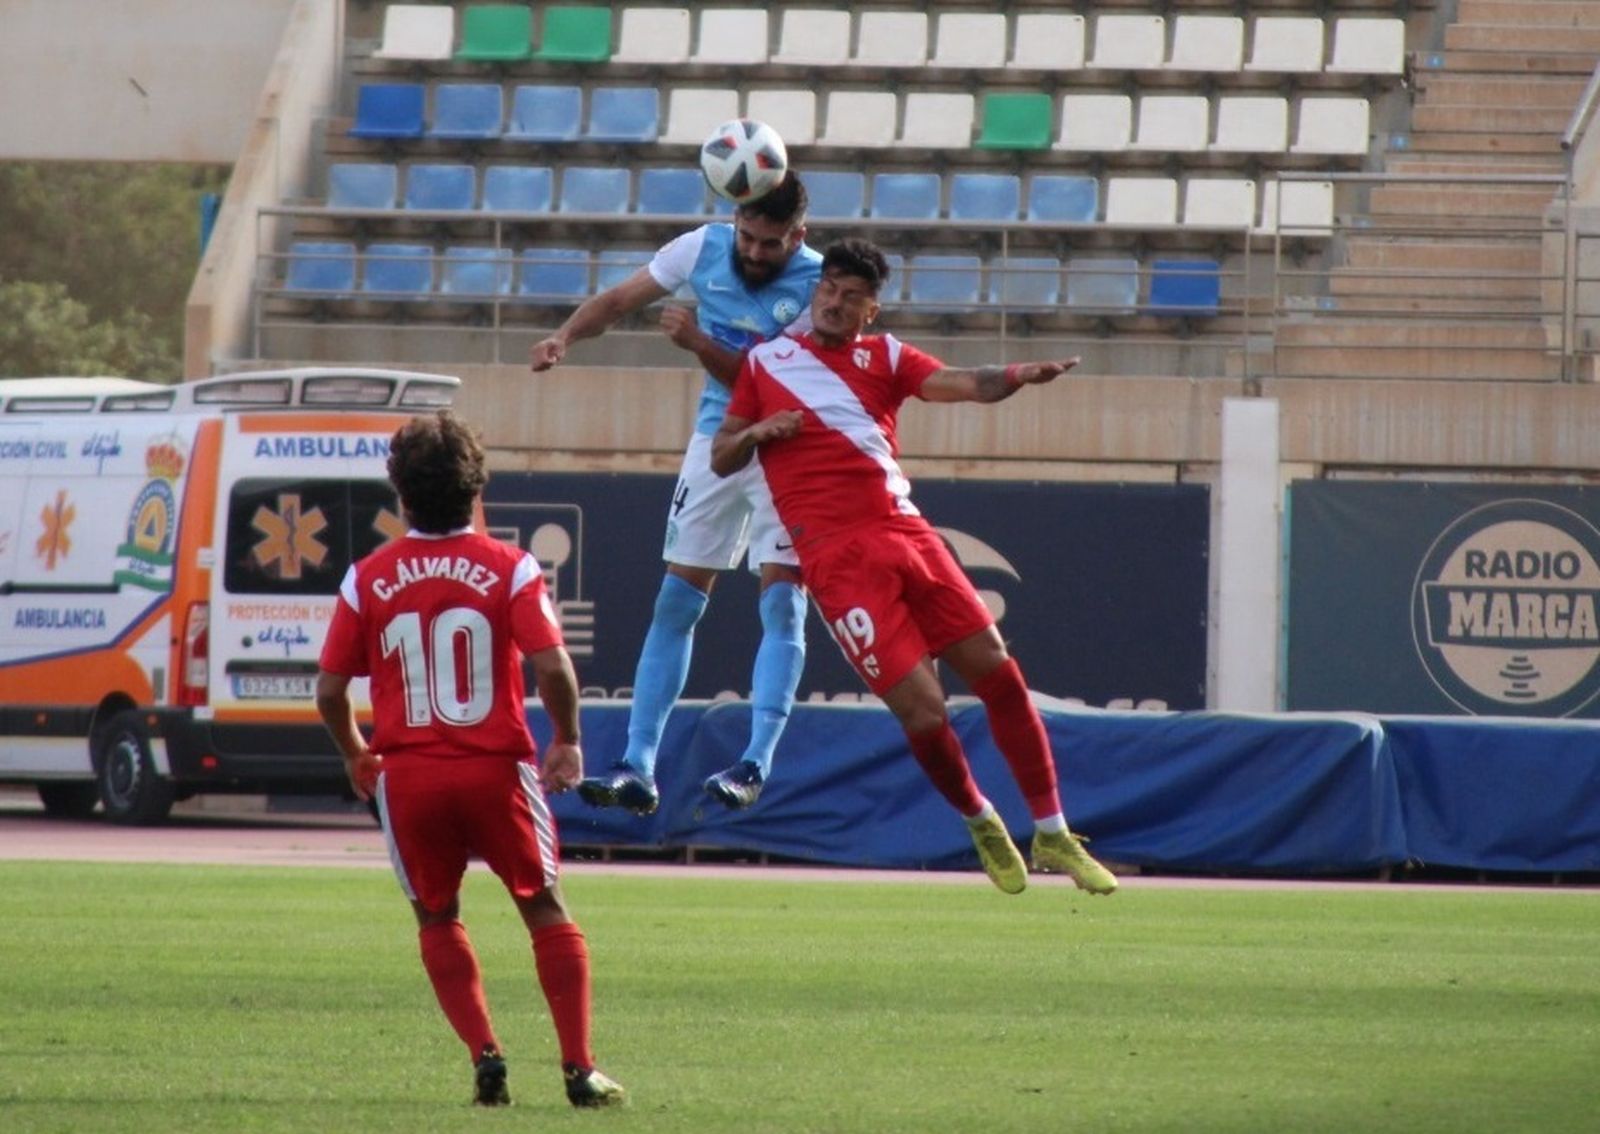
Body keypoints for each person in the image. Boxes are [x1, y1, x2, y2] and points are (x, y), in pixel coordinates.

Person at [709, 238, 1117, 897]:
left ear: (871, 309)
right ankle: (980, 819)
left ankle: (1053, 831)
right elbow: (723, 455)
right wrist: (759, 433)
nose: (835, 304)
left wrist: (1017, 375)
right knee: (925, 713)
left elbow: (963, 383)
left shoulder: (887, 356)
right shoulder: (767, 363)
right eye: (827, 292)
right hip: (837, 560)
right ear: (815, 296)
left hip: (905, 533)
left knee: (1001, 676)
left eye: (850, 298)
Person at [315, 411, 626, 1109]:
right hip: (496, 769)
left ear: (401, 494)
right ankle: (579, 1068)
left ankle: (486, 1055)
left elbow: (331, 690)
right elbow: (553, 669)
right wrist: (567, 739)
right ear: (475, 486)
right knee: (543, 906)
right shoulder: (508, 566)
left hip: (412, 775)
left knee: (436, 914)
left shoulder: (368, 576)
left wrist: (356, 753)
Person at [529, 175, 822, 814]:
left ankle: (755, 762)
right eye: (746, 236)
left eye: (769, 244)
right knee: (676, 600)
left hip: (791, 451)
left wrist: (696, 342)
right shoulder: (702, 248)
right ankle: (638, 765)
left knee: (783, 604)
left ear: (796, 237)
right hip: (718, 442)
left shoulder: (816, 286)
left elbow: (769, 387)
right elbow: (619, 299)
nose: (753, 252)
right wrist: (564, 337)